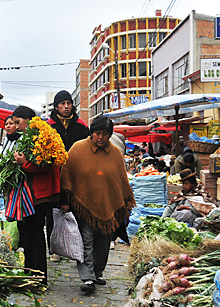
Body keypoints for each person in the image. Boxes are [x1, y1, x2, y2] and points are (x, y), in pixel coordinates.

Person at [60, 117, 135, 294]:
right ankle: (87, 278)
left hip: (108, 205)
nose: (101, 137)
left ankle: (97, 272)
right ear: (91, 132)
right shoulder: (78, 149)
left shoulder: (116, 153)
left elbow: (121, 179)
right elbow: (67, 175)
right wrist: (65, 201)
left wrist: (124, 202)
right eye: (97, 133)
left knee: (104, 241)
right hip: (83, 205)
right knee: (86, 240)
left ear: (110, 135)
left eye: (105, 134)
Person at [10, 105, 58, 284]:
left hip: (40, 194)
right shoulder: (34, 134)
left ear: (28, 119)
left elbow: (45, 164)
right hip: (34, 193)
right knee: (30, 233)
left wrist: (24, 163)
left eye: (18, 122)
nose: (16, 126)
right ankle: (31, 273)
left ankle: (37, 276)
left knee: (35, 233)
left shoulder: (41, 135)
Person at [45, 90, 90, 262]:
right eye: (62, 104)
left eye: (68, 103)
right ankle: (54, 248)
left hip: (77, 175)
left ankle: (74, 247)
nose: (66, 106)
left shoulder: (81, 126)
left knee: (76, 210)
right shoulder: (48, 126)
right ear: (56, 107)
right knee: (54, 211)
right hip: (54, 174)